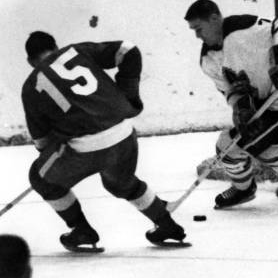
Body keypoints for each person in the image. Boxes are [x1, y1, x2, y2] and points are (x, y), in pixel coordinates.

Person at [21, 31, 187, 252]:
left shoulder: (32, 84)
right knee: (120, 182)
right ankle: (167, 225)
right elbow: (128, 49)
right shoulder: (76, 51)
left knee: (39, 178)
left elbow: (42, 142)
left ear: (31, 61)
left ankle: (81, 230)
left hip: (85, 150)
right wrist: (128, 96)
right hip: (124, 135)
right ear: (56, 46)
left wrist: (54, 149)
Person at [184, 0, 278, 208]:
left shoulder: (243, 27)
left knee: (231, 147)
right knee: (258, 148)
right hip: (260, 109)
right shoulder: (208, 60)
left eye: (199, 28)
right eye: (193, 30)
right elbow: (229, 91)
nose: (197, 36)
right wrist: (242, 110)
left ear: (214, 18)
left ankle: (244, 189)